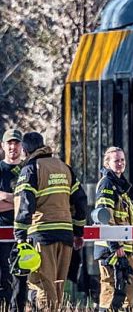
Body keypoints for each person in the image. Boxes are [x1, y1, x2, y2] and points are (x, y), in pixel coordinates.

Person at [13, 131, 87, 310]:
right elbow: (80, 201)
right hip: (66, 235)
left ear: (24, 149)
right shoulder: (64, 167)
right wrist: (78, 233)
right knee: (57, 286)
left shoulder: (31, 168)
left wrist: (20, 236)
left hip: (42, 233)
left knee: (43, 284)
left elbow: (25, 203)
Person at [94, 147, 133, 311]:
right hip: (111, 250)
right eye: (116, 161)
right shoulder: (108, 184)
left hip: (124, 250)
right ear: (107, 163)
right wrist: (116, 246)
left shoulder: (120, 187)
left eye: (122, 160)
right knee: (111, 293)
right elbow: (105, 218)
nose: (120, 164)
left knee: (130, 294)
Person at [0, 129, 27, 312]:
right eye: (9, 143)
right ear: (3, 146)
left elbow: (36, 202)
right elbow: (26, 202)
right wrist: (19, 200)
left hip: (23, 234)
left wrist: (5, 197)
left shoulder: (28, 169)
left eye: (16, 143)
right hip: (2, 233)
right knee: (3, 279)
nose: (13, 147)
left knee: (21, 278)